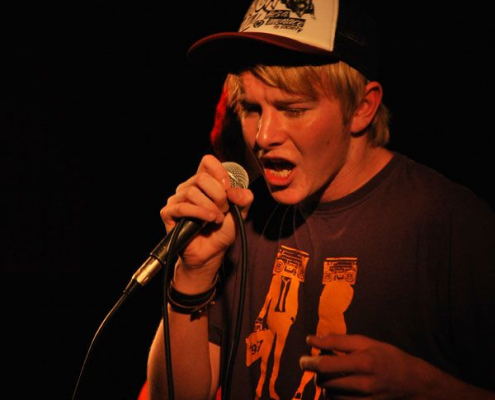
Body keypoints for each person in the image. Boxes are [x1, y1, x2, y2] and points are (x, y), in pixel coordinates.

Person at [146, 0, 495, 399]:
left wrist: (424, 387)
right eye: (251, 108)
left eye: (293, 109)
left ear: (362, 108)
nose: (263, 136)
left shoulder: (452, 225)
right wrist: (192, 275)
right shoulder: (237, 217)